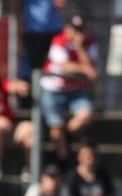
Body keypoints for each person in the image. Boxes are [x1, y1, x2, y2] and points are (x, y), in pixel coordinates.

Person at [40, 13, 98, 163]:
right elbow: (65, 67)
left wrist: (80, 48)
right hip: (53, 90)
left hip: (76, 91)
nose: (77, 33)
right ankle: (61, 162)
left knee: (85, 115)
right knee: (56, 129)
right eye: (74, 29)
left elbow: (93, 67)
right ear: (67, 29)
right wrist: (85, 70)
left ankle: (66, 135)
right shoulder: (59, 40)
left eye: (80, 29)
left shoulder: (89, 42)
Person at [23, 0, 66, 71]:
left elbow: (60, 3)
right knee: (36, 65)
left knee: (54, 62)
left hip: (53, 31)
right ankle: (36, 81)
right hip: (33, 32)